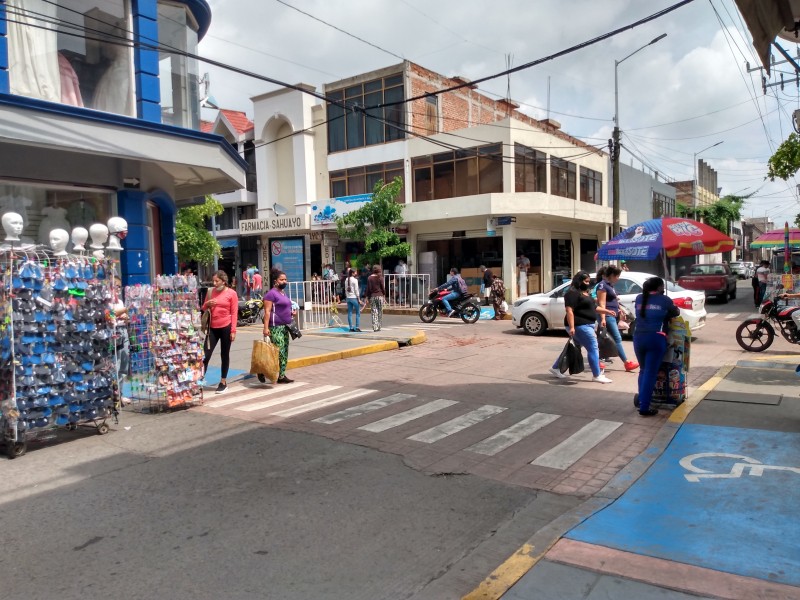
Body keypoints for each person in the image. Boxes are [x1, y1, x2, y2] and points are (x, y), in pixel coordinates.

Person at [549, 271, 616, 384]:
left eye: (589, 281)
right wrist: (572, 327)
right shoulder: (572, 293)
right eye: (586, 281)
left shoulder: (585, 293)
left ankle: (556, 368)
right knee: (593, 348)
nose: (588, 283)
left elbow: (594, 307)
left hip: (587, 325)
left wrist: (607, 311)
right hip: (580, 325)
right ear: (579, 281)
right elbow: (569, 311)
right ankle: (597, 375)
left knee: (573, 347)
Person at [633, 276, 680, 417]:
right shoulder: (664, 300)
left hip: (638, 337)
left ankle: (642, 400)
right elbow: (675, 312)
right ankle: (645, 408)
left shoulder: (639, 298)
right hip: (656, 338)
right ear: (660, 287)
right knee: (650, 373)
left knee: (643, 370)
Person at [201, 270, 238, 394]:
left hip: (226, 326)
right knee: (205, 354)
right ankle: (199, 380)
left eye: (217, 281)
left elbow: (234, 312)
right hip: (212, 327)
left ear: (224, 281)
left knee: (224, 354)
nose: (214, 283)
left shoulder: (231, 293)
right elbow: (203, 308)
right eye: (214, 281)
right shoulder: (210, 292)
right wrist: (207, 304)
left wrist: (233, 330)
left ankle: (223, 382)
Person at [596, 265, 639, 372]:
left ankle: (597, 360)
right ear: (611, 275)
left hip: (613, 315)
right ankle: (627, 362)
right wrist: (603, 319)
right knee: (616, 338)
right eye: (617, 276)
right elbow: (602, 303)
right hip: (607, 315)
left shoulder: (609, 285)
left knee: (604, 339)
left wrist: (620, 310)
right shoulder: (602, 286)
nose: (618, 278)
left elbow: (614, 300)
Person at [262, 269, 295, 384]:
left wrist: (291, 313)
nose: (284, 281)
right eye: (282, 280)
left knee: (285, 351)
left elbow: (283, 308)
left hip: (286, 326)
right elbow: (267, 312)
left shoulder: (282, 293)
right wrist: (265, 328)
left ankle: (281, 376)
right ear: (275, 281)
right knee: (278, 351)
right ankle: (262, 370)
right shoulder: (271, 294)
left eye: (285, 279)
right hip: (275, 327)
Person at [111, 276, 131, 406]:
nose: (118, 290)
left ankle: (121, 394)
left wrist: (126, 317)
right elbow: (109, 313)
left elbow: (124, 316)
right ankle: (114, 395)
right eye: (116, 287)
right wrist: (123, 311)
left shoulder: (120, 301)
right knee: (116, 365)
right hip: (114, 334)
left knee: (124, 363)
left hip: (123, 331)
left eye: (119, 287)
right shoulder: (107, 300)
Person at [366, 264, 386, 331]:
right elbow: (383, 288)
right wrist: (384, 295)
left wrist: (367, 297)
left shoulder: (369, 278)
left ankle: (375, 327)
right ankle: (379, 326)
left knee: (374, 311)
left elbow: (368, 289)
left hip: (372, 296)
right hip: (380, 296)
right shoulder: (380, 277)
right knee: (380, 311)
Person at [344, 268, 363, 332]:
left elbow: (345, 289)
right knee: (358, 312)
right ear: (352, 273)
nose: (356, 273)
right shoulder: (355, 280)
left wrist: (347, 296)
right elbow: (356, 290)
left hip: (348, 298)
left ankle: (351, 328)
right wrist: (359, 299)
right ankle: (357, 327)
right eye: (355, 272)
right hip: (354, 297)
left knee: (350, 313)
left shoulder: (346, 280)